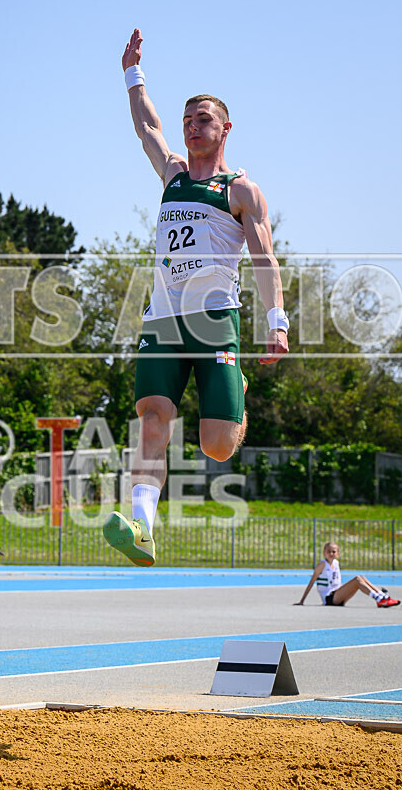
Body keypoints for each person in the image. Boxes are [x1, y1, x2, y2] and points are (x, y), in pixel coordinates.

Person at [104, 28, 289, 567]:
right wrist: (133, 73)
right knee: (152, 418)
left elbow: (264, 258)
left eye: (203, 119)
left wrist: (276, 321)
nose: (192, 126)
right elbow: (146, 126)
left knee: (217, 446)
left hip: (214, 320)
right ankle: (142, 528)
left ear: (225, 128)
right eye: (187, 119)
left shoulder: (241, 190)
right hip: (163, 317)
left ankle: (237, 393)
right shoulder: (173, 174)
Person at [295, 542, 400, 608]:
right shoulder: (322, 564)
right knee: (357, 579)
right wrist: (302, 600)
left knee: (362, 578)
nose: (331, 554)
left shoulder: (336, 563)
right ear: (324, 553)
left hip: (338, 596)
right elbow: (312, 581)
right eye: (328, 551)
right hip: (329, 598)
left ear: (338, 554)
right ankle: (379, 599)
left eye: (333, 551)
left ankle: (383, 596)